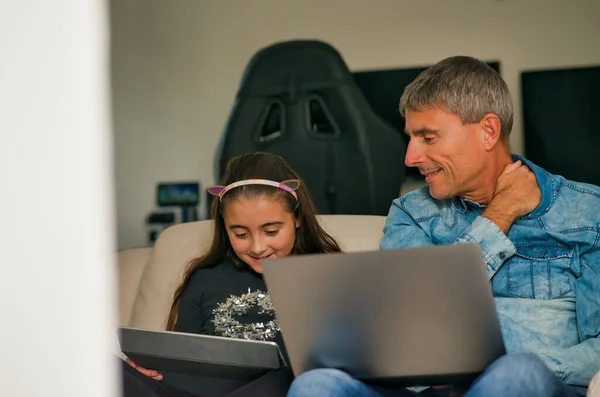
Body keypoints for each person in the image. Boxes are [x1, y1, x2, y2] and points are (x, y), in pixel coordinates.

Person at [286, 56, 600, 397]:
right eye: (410, 138)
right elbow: (408, 324)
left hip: (533, 386)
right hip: (427, 392)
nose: (410, 157)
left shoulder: (586, 212)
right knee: (315, 384)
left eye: (428, 138)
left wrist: (506, 371)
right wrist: (501, 213)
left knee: (517, 373)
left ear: (488, 131)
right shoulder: (412, 214)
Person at [122, 152, 343, 397]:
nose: (257, 247)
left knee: (292, 373)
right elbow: (180, 357)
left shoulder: (326, 275)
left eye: (271, 231)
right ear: (225, 228)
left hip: (273, 389)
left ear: (297, 218)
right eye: (240, 234)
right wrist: (150, 367)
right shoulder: (204, 277)